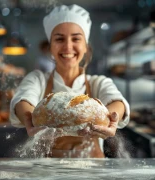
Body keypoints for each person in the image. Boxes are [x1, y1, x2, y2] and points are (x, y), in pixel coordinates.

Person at [9, 4, 130, 158]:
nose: (67, 46)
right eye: (59, 39)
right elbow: (23, 99)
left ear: (86, 46)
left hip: (92, 172)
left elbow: (117, 102)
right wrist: (29, 118)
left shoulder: (98, 83)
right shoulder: (38, 79)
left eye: (76, 39)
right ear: (50, 46)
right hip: (47, 171)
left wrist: (111, 119)